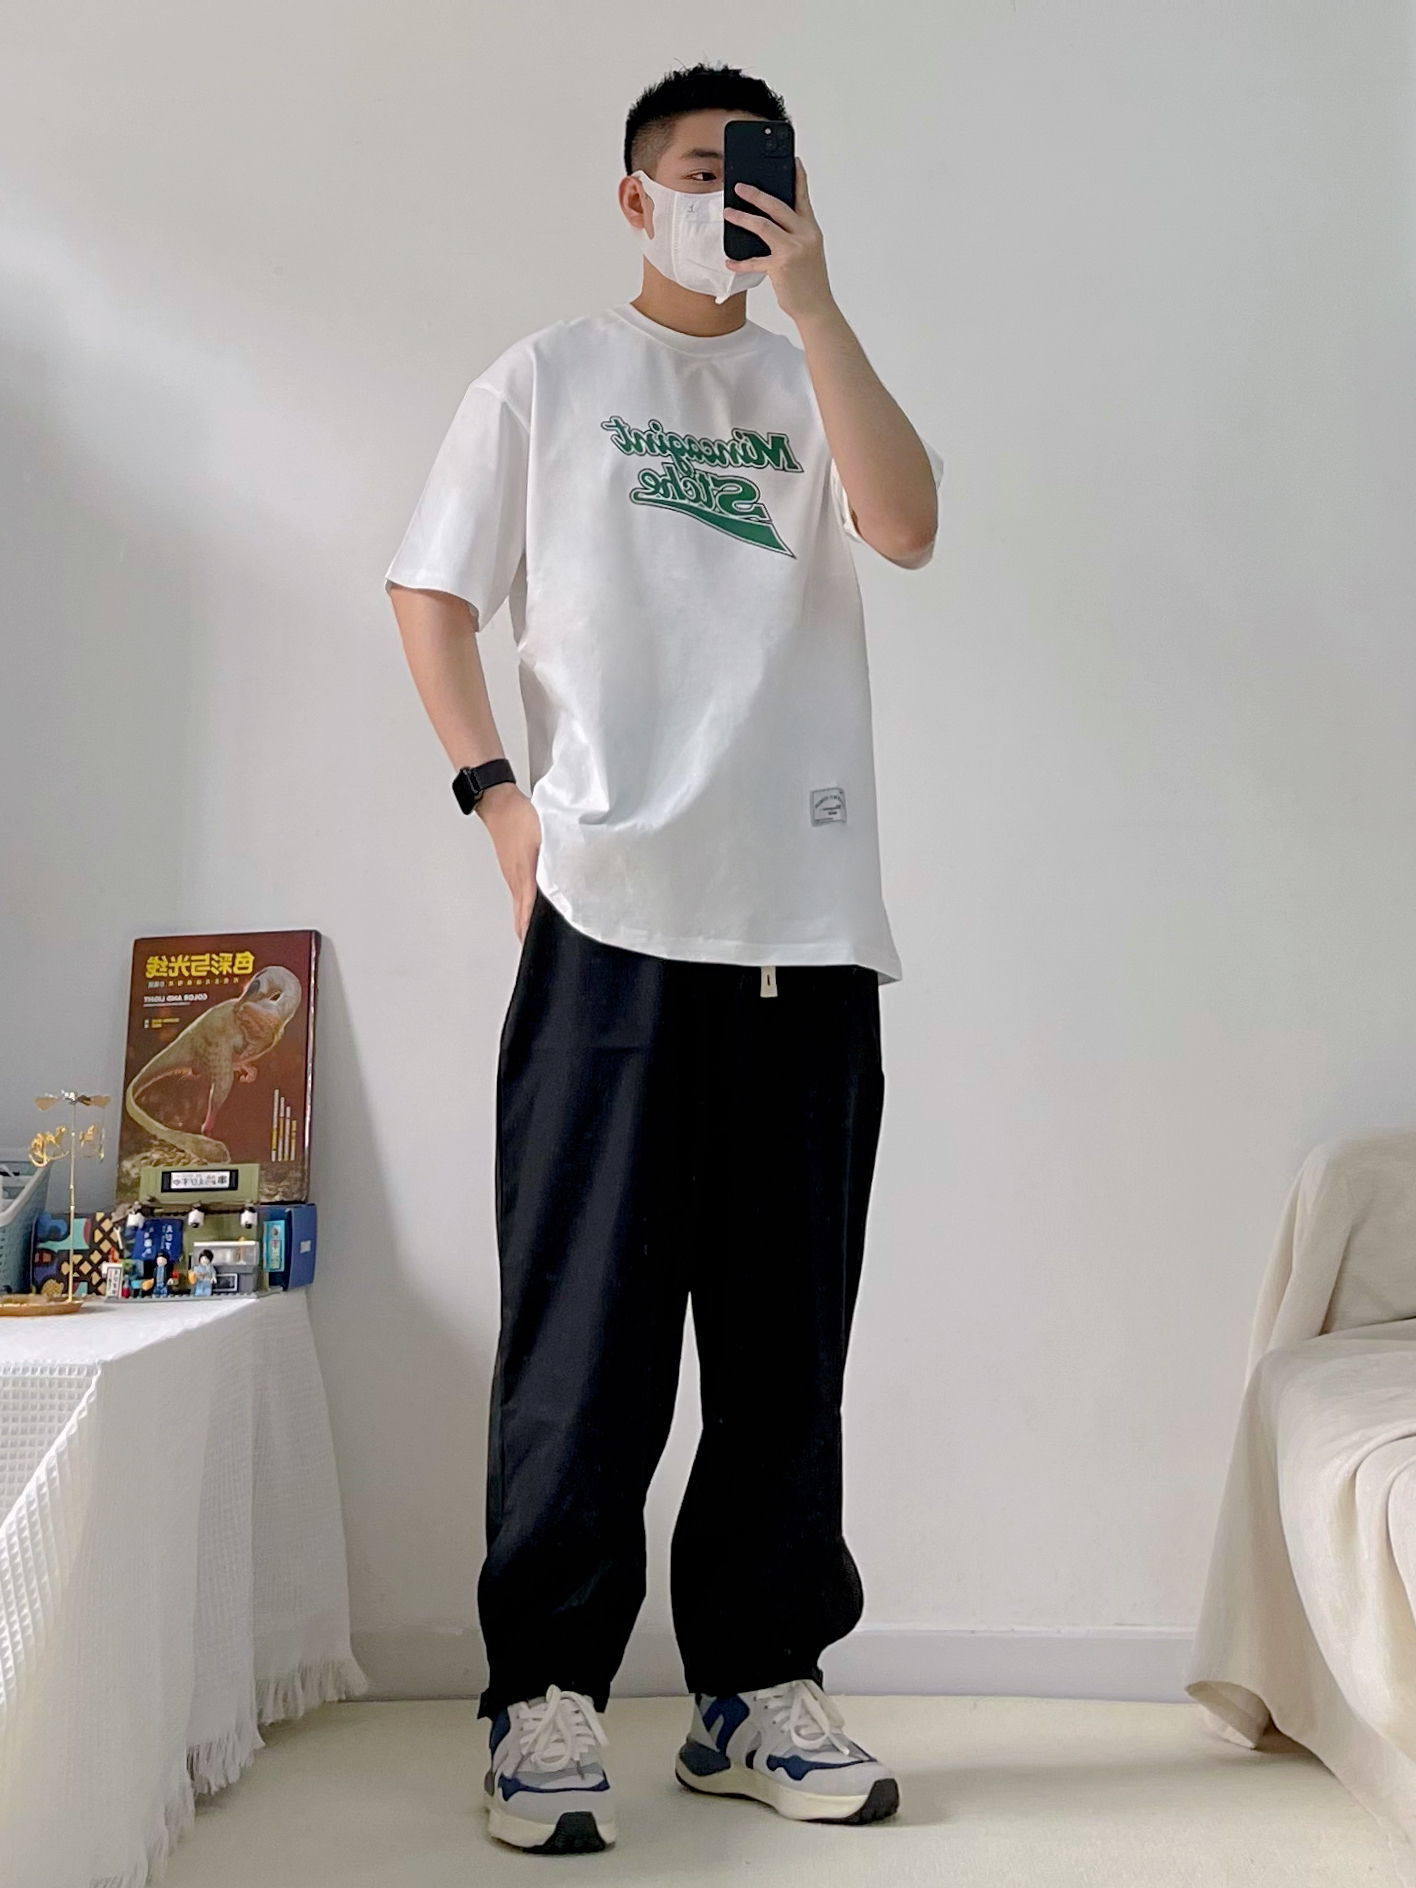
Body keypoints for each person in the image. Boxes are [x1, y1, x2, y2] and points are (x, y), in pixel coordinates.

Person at [387, 62, 939, 1856]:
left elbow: (907, 526)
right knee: (588, 1340)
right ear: (635, 200)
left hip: (808, 930)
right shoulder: (549, 379)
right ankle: (543, 1701)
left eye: (757, 171)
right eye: (700, 172)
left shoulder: (809, 382)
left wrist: (818, 307)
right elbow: (429, 589)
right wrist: (496, 800)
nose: (730, 197)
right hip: (612, 919)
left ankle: (755, 1687)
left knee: (783, 1348)